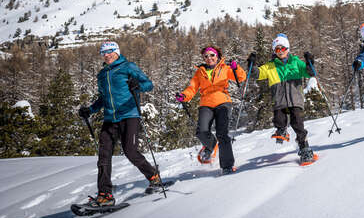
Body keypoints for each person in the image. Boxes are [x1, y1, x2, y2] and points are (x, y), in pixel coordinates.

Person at [78, 41, 159, 207]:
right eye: (103, 52)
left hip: (129, 115)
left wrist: (137, 85)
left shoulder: (128, 67)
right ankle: (105, 195)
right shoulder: (102, 75)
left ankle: (153, 176)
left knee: (130, 152)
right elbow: (103, 99)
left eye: (109, 51)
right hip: (109, 119)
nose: (106, 55)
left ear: (117, 52)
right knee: (104, 157)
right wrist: (90, 110)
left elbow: (148, 84)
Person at [247, 33, 317, 165]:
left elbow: (310, 73)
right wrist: (251, 64)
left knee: (298, 123)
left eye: (282, 48)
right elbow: (257, 74)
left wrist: (309, 62)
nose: (280, 52)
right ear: (274, 51)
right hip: (279, 100)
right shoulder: (270, 66)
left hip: (295, 99)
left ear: (288, 49)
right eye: (277, 49)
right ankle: (282, 130)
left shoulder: (296, 62)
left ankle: (304, 147)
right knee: (279, 119)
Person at [175, 45, 246, 174]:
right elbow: (192, 88)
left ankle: (227, 166)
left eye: (212, 55)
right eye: (206, 56)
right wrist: (184, 96)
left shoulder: (225, 68)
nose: (209, 58)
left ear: (217, 56)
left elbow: (241, 77)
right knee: (201, 131)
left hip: (223, 101)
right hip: (206, 103)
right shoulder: (200, 71)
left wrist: (236, 68)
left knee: (222, 134)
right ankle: (211, 145)